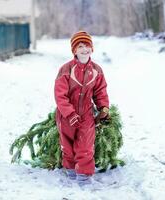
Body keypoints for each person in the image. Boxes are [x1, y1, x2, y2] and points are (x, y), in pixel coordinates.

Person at [54, 31, 110, 186]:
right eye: (80, 46)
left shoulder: (97, 70)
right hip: (66, 114)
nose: (85, 49)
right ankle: (71, 170)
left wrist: (103, 108)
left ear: (92, 48)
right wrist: (69, 113)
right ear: (74, 50)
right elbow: (60, 95)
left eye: (87, 46)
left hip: (86, 113)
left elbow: (100, 91)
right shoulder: (66, 69)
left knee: (85, 145)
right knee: (68, 145)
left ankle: (84, 176)